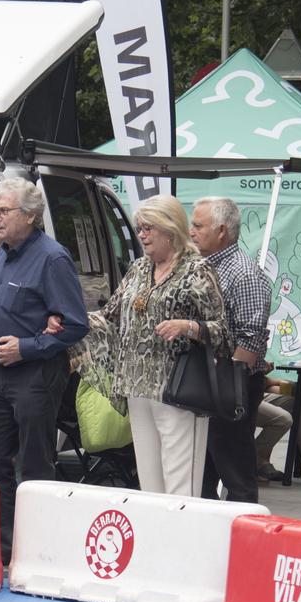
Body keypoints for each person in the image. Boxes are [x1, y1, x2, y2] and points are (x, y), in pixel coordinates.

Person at [0, 176, 89, 557]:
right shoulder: (0, 253)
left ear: (31, 216)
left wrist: (28, 347)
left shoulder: (52, 258)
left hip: (34, 375)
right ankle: (3, 548)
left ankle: (38, 548)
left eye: (4, 210)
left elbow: (76, 322)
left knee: (35, 463)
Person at [102, 195, 229, 497]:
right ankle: (156, 541)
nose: (142, 235)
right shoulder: (137, 269)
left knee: (180, 484)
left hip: (178, 388)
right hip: (137, 386)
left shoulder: (196, 269)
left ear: (170, 230)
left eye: (148, 228)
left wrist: (188, 326)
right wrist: (70, 322)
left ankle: (182, 543)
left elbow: (223, 333)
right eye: (139, 228)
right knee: (149, 484)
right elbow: (110, 315)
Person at [192, 196, 273, 502]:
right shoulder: (202, 267)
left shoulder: (245, 273)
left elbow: (251, 339)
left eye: (199, 225)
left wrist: (227, 384)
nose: (191, 231)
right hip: (205, 381)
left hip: (230, 383)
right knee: (203, 471)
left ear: (222, 231)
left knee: (235, 470)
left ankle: (245, 536)